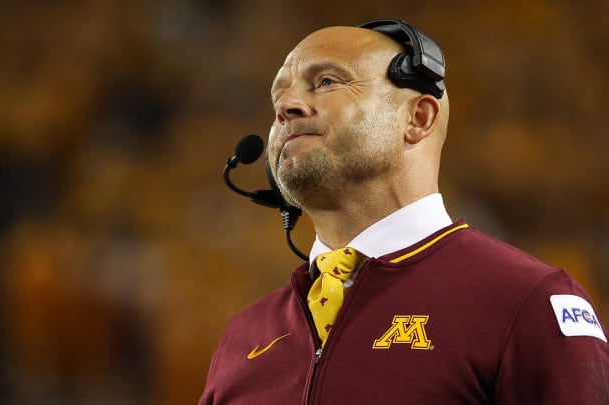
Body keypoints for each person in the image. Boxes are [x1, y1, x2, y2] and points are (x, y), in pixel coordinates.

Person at [199, 19, 609, 404]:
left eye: (325, 82)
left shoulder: (529, 301)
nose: (286, 106)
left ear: (417, 117)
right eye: (278, 96)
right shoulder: (244, 335)